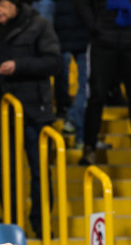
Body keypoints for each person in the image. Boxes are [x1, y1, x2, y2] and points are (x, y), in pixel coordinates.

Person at [0, 0, 61, 237]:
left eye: (0, 3)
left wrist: (19, 66)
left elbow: (54, 62)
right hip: (2, 115)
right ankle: (13, 226)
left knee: (40, 172)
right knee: (5, 173)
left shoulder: (39, 25)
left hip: (35, 112)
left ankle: (41, 224)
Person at [76, 0, 131, 166]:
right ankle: (89, 148)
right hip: (103, 43)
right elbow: (82, 4)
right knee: (96, 97)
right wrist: (94, 26)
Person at [54, 0, 91, 146]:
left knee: (84, 83)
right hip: (83, 34)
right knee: (86, 84)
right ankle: (73, 118)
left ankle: (67, 112)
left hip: (63, 33)